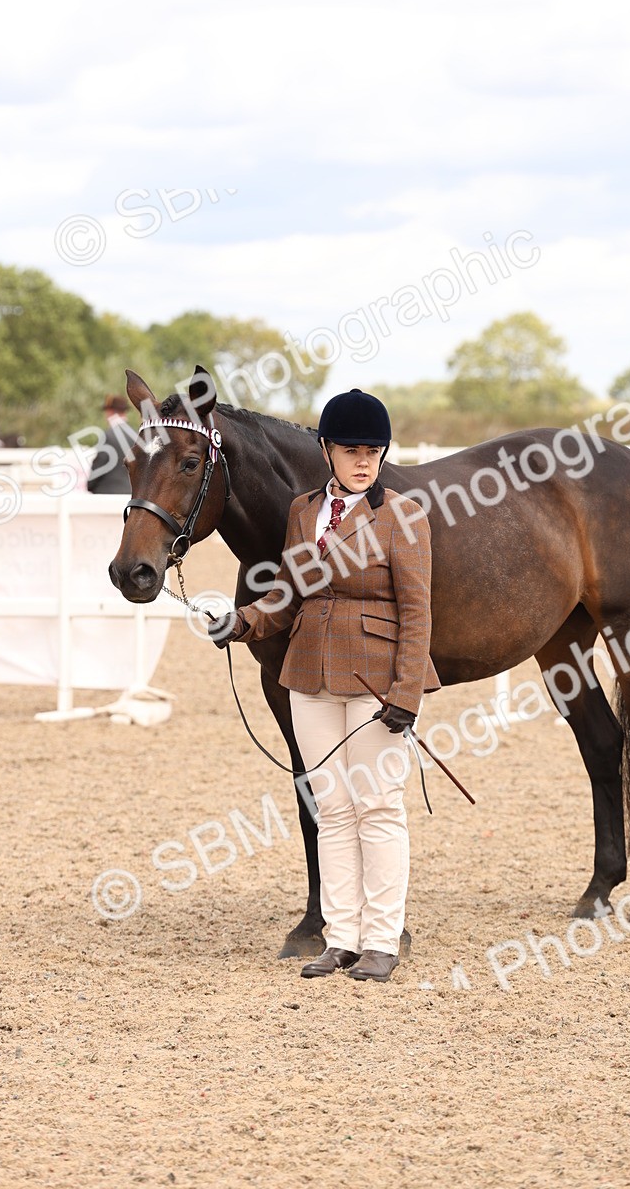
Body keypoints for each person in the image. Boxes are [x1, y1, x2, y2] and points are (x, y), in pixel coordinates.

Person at [210, 388, 440, 983]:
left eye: (374, 450)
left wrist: (406, 694)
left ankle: (382, 939)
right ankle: (340, 939)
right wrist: (242, 622)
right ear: (326, 450)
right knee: (333, 809)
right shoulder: (301, 511)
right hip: (309, 676)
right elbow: (287, 595)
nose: (364, 461)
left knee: (380, 808)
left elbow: (418, 615)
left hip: (375, 678)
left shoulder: (403, 516)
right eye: (351, 450)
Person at [87, 395, 137, 494]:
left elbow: (99, 467)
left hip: (108, 493)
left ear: (110, 411)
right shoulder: (137, 436)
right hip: (132, 493)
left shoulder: (108, 436)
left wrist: (90, 484)